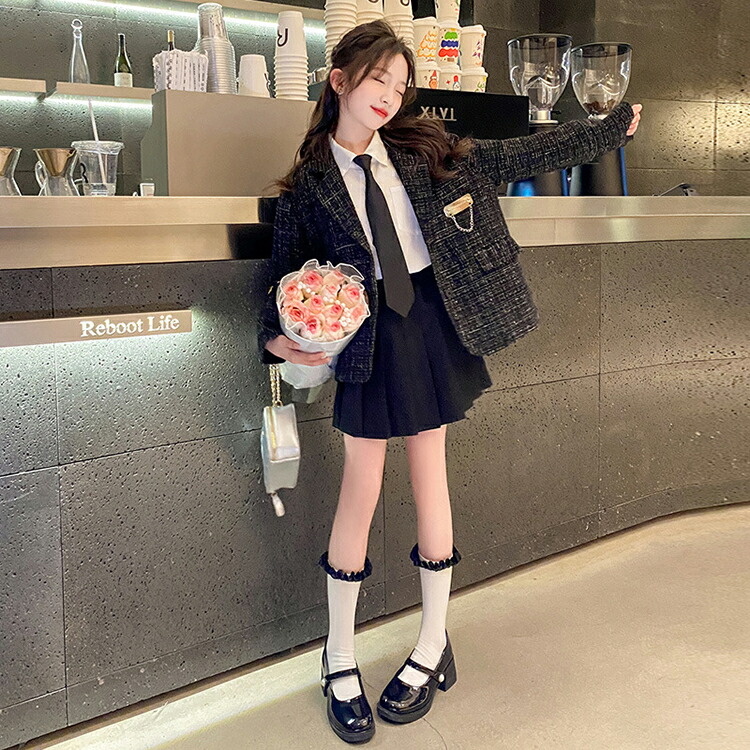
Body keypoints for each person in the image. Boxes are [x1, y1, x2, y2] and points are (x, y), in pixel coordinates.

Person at [257, 20, 642, 744]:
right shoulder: (309, 186)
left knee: (431, 476)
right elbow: (278, 278)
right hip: (368, 339)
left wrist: (608, 129)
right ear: (339, 80)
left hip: (432, 324)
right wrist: (280, 339)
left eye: (400, 85)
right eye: (378, 80)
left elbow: (520, 152)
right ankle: (338, 656)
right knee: (360, 486)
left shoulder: (422, 149)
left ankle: (433, 642)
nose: (389, 96)